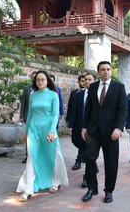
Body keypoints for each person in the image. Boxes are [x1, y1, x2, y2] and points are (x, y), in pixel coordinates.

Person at [17, 71, 69, 202]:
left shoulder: (53, 95)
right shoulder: (33, 95)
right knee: (31, 157)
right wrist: (26, 131)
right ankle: (27, 189)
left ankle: (55, 181)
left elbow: (55, 114)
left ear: (47, 81)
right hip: (34, 130)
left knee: (53, 155)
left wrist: (52, 130)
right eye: (37, 80)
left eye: (42, 79)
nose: (40, 82)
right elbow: (29, 115)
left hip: (48, 130)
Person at [81, 61, 127, 204]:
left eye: (108, 69)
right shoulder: (93, 86)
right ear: (98, 72)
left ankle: (109, 191)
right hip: (94, 130)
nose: (106, 72)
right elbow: (88, 108)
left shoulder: (119, 87)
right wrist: (84, 126)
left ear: (111, 70)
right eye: (103, 70)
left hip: (111, 131)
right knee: (89, 158)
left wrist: (119, 128)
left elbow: (122, 109)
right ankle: (91, 188)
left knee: (111, 162)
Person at [68, 72, 96, 187]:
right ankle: (92, 165)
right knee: (76, 142)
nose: (87, 82)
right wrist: (70, 125)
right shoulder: (79, 95)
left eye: (90, 79)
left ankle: (87, 177)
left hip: (93, 128)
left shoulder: (98, 94)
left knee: (89, 153)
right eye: (85, 80)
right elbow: (74, 110)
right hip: (79, 126)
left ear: (94, 81)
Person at [66, 74, 86, 170]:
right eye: (82, 80)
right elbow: (71, 107)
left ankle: (79, 160)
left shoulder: (92, 93)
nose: (84, 82)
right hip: (76, 121)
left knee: (83, 142)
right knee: (74, 140)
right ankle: (84, 154)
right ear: (78, 82)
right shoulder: (75, 93)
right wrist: (69, 121)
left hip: (86, 123)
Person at [20, 71, 37, 163]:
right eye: (33, 77)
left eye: (36, 77)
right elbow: (24, 103)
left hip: (38, 117)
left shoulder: (41, 89)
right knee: (28, 137)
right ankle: (28, 156)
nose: (34, 79)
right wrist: (22, 115)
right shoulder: (27, 89)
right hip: (28, 116)